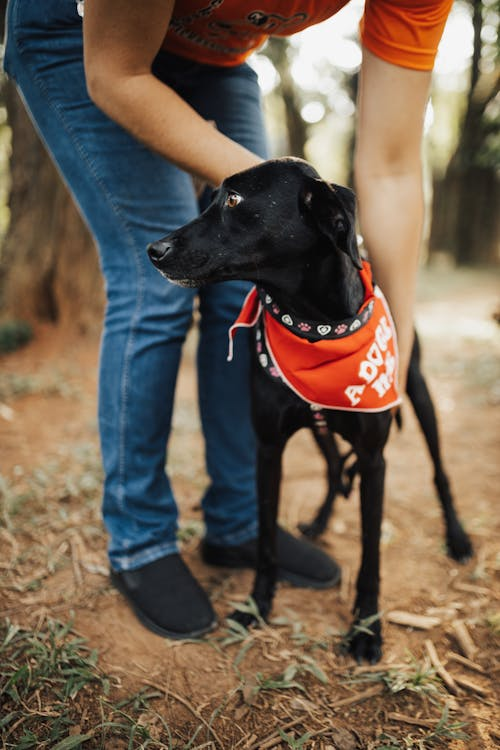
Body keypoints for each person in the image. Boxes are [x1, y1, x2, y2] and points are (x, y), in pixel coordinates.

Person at [3, 0, 453, 639]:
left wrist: (395, 338)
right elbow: (117, 74)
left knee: (241, 286)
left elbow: (392, 166)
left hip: (220, 62)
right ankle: (141, 543)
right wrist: (273, 199)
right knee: (155, 281)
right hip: (87, 41)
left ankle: (239, 522)